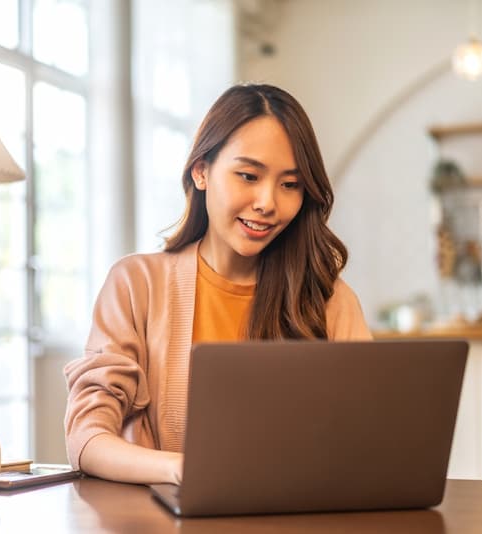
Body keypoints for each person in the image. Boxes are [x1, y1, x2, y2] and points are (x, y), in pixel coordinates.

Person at [64, 83, 371, 485]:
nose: (268, 203)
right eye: (248, 175)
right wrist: (182, 470)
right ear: (201, 171)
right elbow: (86, 437)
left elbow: (367, 437)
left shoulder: (328, 300)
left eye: (290, 184)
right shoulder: (136, 285)